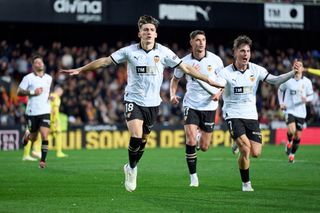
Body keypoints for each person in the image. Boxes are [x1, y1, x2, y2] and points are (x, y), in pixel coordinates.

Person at [60, 15, 224, 192]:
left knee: (143, 142)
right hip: (133, 100)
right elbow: (106, 61)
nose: (148, 32)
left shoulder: (164, 52)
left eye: (152, 30)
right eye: (145, 30)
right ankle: (132, 169)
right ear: (139, 33)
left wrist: (209, 80)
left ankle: (131, 165)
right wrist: (81, 69)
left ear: (156, 34)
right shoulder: (129, 51)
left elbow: (186, 68)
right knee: (136, 136)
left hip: (153, 104)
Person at [218, 35, 304, 192]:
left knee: (256, 153)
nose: (245, 54)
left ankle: (236, 142)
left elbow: (276, 80)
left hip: (251, 116)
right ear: (235, 52)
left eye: (248, 51)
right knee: (245, 149)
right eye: (242, 51)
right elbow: (219, 85)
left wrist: (293, 73)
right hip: (233, 114)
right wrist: (217, 92)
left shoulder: (256, 70)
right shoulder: (225, 72)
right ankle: (246, 184)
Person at [170, 30, 224, 187]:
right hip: (191, 104)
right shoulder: (183, 62)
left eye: (203, 40)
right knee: (190, 139)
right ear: (191, 42)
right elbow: (175, 80)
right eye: (198, 40)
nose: (201, 43)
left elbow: (223, 81)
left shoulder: (215, 60)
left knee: (205, 147)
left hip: (210, 105)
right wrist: (173, 94)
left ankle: (201, 138)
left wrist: (219, 93)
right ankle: (193, 176)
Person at [17, 55, 52, 169]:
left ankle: (43, 161)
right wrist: (33, 92)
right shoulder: (28, 78)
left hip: (45, 111)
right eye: (37, 62)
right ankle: (27, 135)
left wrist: (49, 97)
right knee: (34, 138)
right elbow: (19, 92)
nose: (40, 63)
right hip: (32, 112)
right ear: (33, 66)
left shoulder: (49, 78)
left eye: (41, 62)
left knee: (45, 135)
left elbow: (46, 92)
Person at [278, 61, 314, 163]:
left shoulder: (307, 82)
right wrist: (281, 103)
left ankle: (292, 154)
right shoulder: (288, 80)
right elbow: (280, 90)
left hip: (301, 112)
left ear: (302, 69)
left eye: (299, 65)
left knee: (298, 136)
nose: (297, 67)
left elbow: (312, 95)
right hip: (289, 110)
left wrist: (306, 99)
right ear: (293, 68)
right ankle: (289, 141)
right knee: (292, 130)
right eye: (295, 66)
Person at [50, 85, 68, 158]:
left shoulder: (50, 95)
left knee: (48, 135)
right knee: (58, 134)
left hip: (47, 118)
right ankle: (59, 152)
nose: (62, 94)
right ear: (58, 91)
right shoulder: (56, 97)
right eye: (61, 92)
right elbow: (55, 110)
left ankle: (38, 150)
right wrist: (56, 120)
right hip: (53, 119)